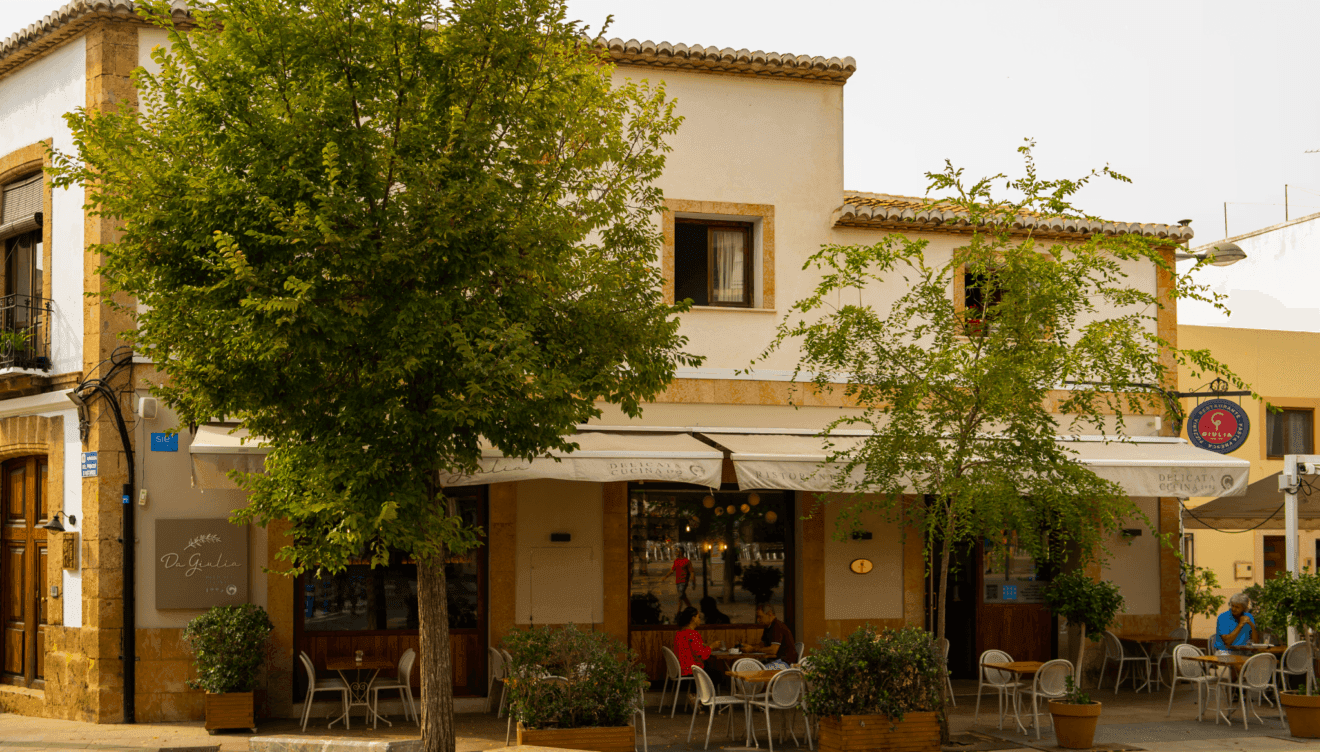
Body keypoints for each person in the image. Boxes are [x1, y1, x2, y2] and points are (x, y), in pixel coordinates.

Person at [740, 603, 798, 667]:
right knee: (750, 667)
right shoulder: (768, 627)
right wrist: (749, 646)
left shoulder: (777, 626)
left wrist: (752, 649)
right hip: (775, 661)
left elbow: (773, 650)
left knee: (757, 671)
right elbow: (762, 645)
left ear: (769, 614)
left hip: (785, 662)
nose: (758, 620)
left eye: (760, 617)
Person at [674, 606, 724, 677]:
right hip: (691, 670)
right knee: (718, 675)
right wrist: (712, 646)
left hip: (681, 669)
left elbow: (691, 649)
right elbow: (702, 655)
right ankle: (703, 688)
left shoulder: (679, 633)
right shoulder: (692, 634)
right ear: (693, 618)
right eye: (699, 617)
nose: (700, 619)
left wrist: (705, 645)